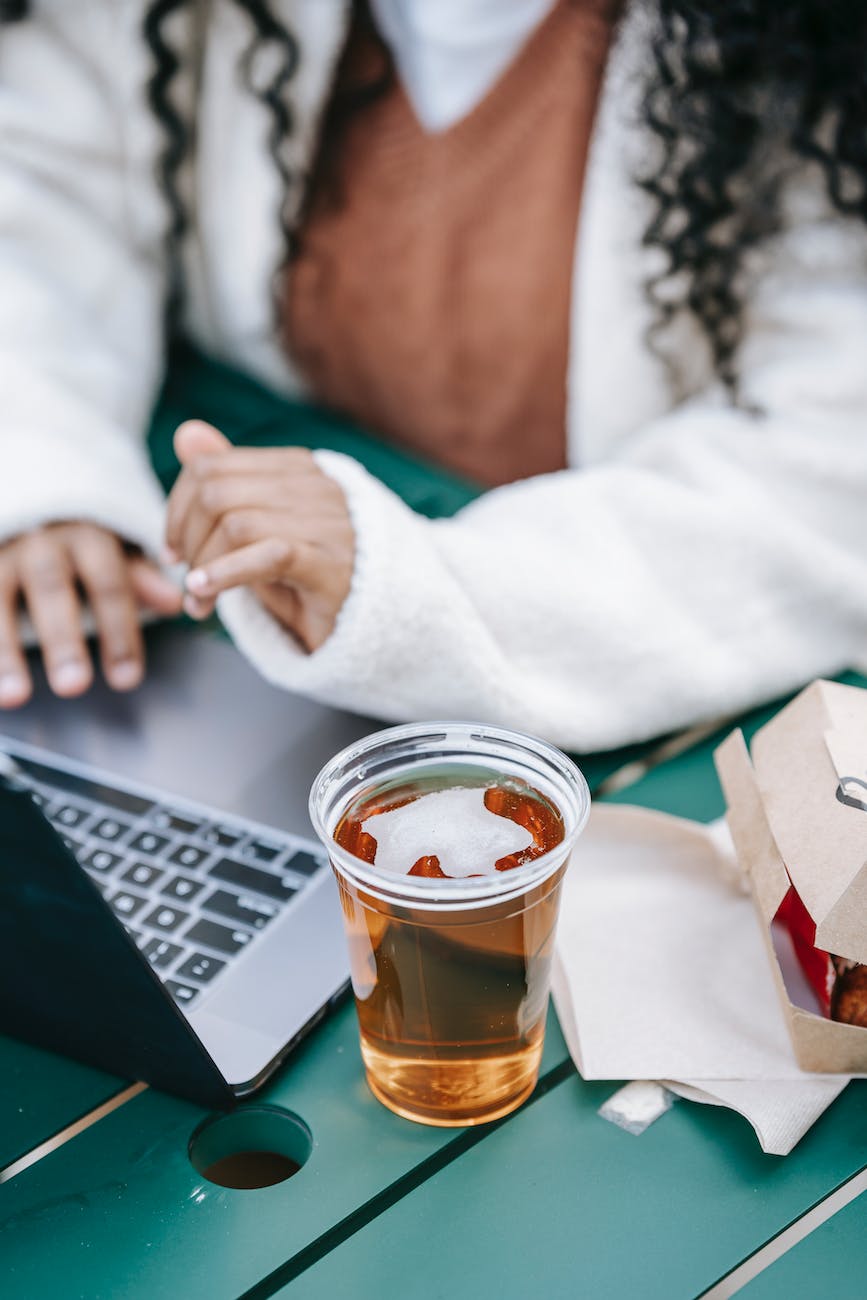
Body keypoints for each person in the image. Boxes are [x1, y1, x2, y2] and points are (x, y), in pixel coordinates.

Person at [1, 1, 866, 752]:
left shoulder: (806, 46)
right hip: (212, 663)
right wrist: (44, 468)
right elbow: (36, 191)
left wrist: (409, 587)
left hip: (606, 677)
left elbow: (826, 469)